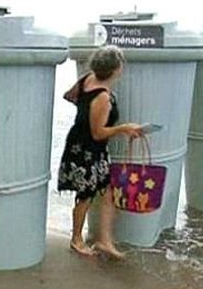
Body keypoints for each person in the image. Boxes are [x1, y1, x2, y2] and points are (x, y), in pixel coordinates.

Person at [57, 45, 142, 259]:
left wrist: (83, 111)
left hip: (81, 143)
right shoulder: (103, 96)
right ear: (115, 69)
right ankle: (76, 240)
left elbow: (69, 96)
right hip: (88, 149)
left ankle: (104, 240)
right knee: (85, 196)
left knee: (107, 191)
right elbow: (97, 133)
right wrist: (124, 128)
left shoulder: (87, 79)